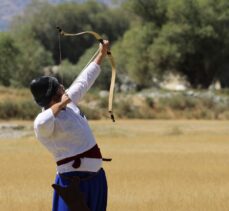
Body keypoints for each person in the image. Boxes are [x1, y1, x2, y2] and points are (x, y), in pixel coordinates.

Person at [30, 40, 110, 211]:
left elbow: (83, 82)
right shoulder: (45, 122)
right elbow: (40, 123)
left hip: (96, 180)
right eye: (58, 88)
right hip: (73, 183)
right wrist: (62, 103)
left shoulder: (68, 102)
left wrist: (101, 54)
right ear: (53, 95)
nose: (63, 88)